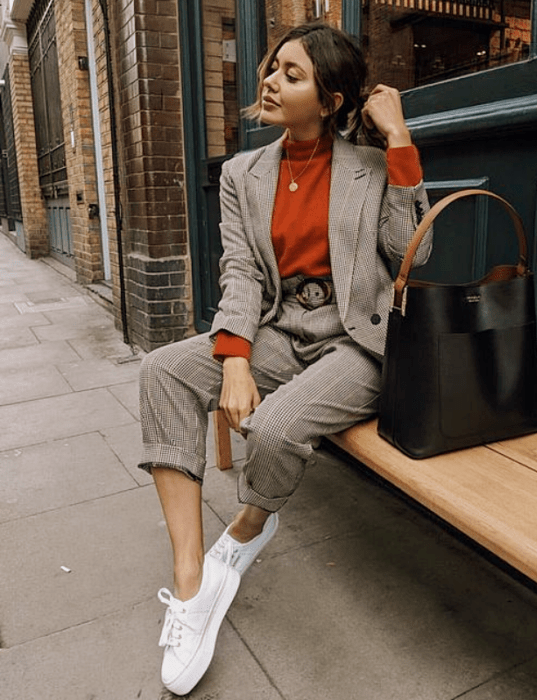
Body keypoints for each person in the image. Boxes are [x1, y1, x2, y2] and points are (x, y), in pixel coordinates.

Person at [138, 22, 433, 696]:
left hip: (355, 341)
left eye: (290, 75)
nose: (269, 80)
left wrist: (399, 139)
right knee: (163, 370)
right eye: (273, 68)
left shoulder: (365, 165)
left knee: (271, 432)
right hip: (279, 332)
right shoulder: (245, 172)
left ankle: (247, 526)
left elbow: (417, 254)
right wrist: (235, 360)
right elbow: (240, 272)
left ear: (329, 102)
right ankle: (194, 582)